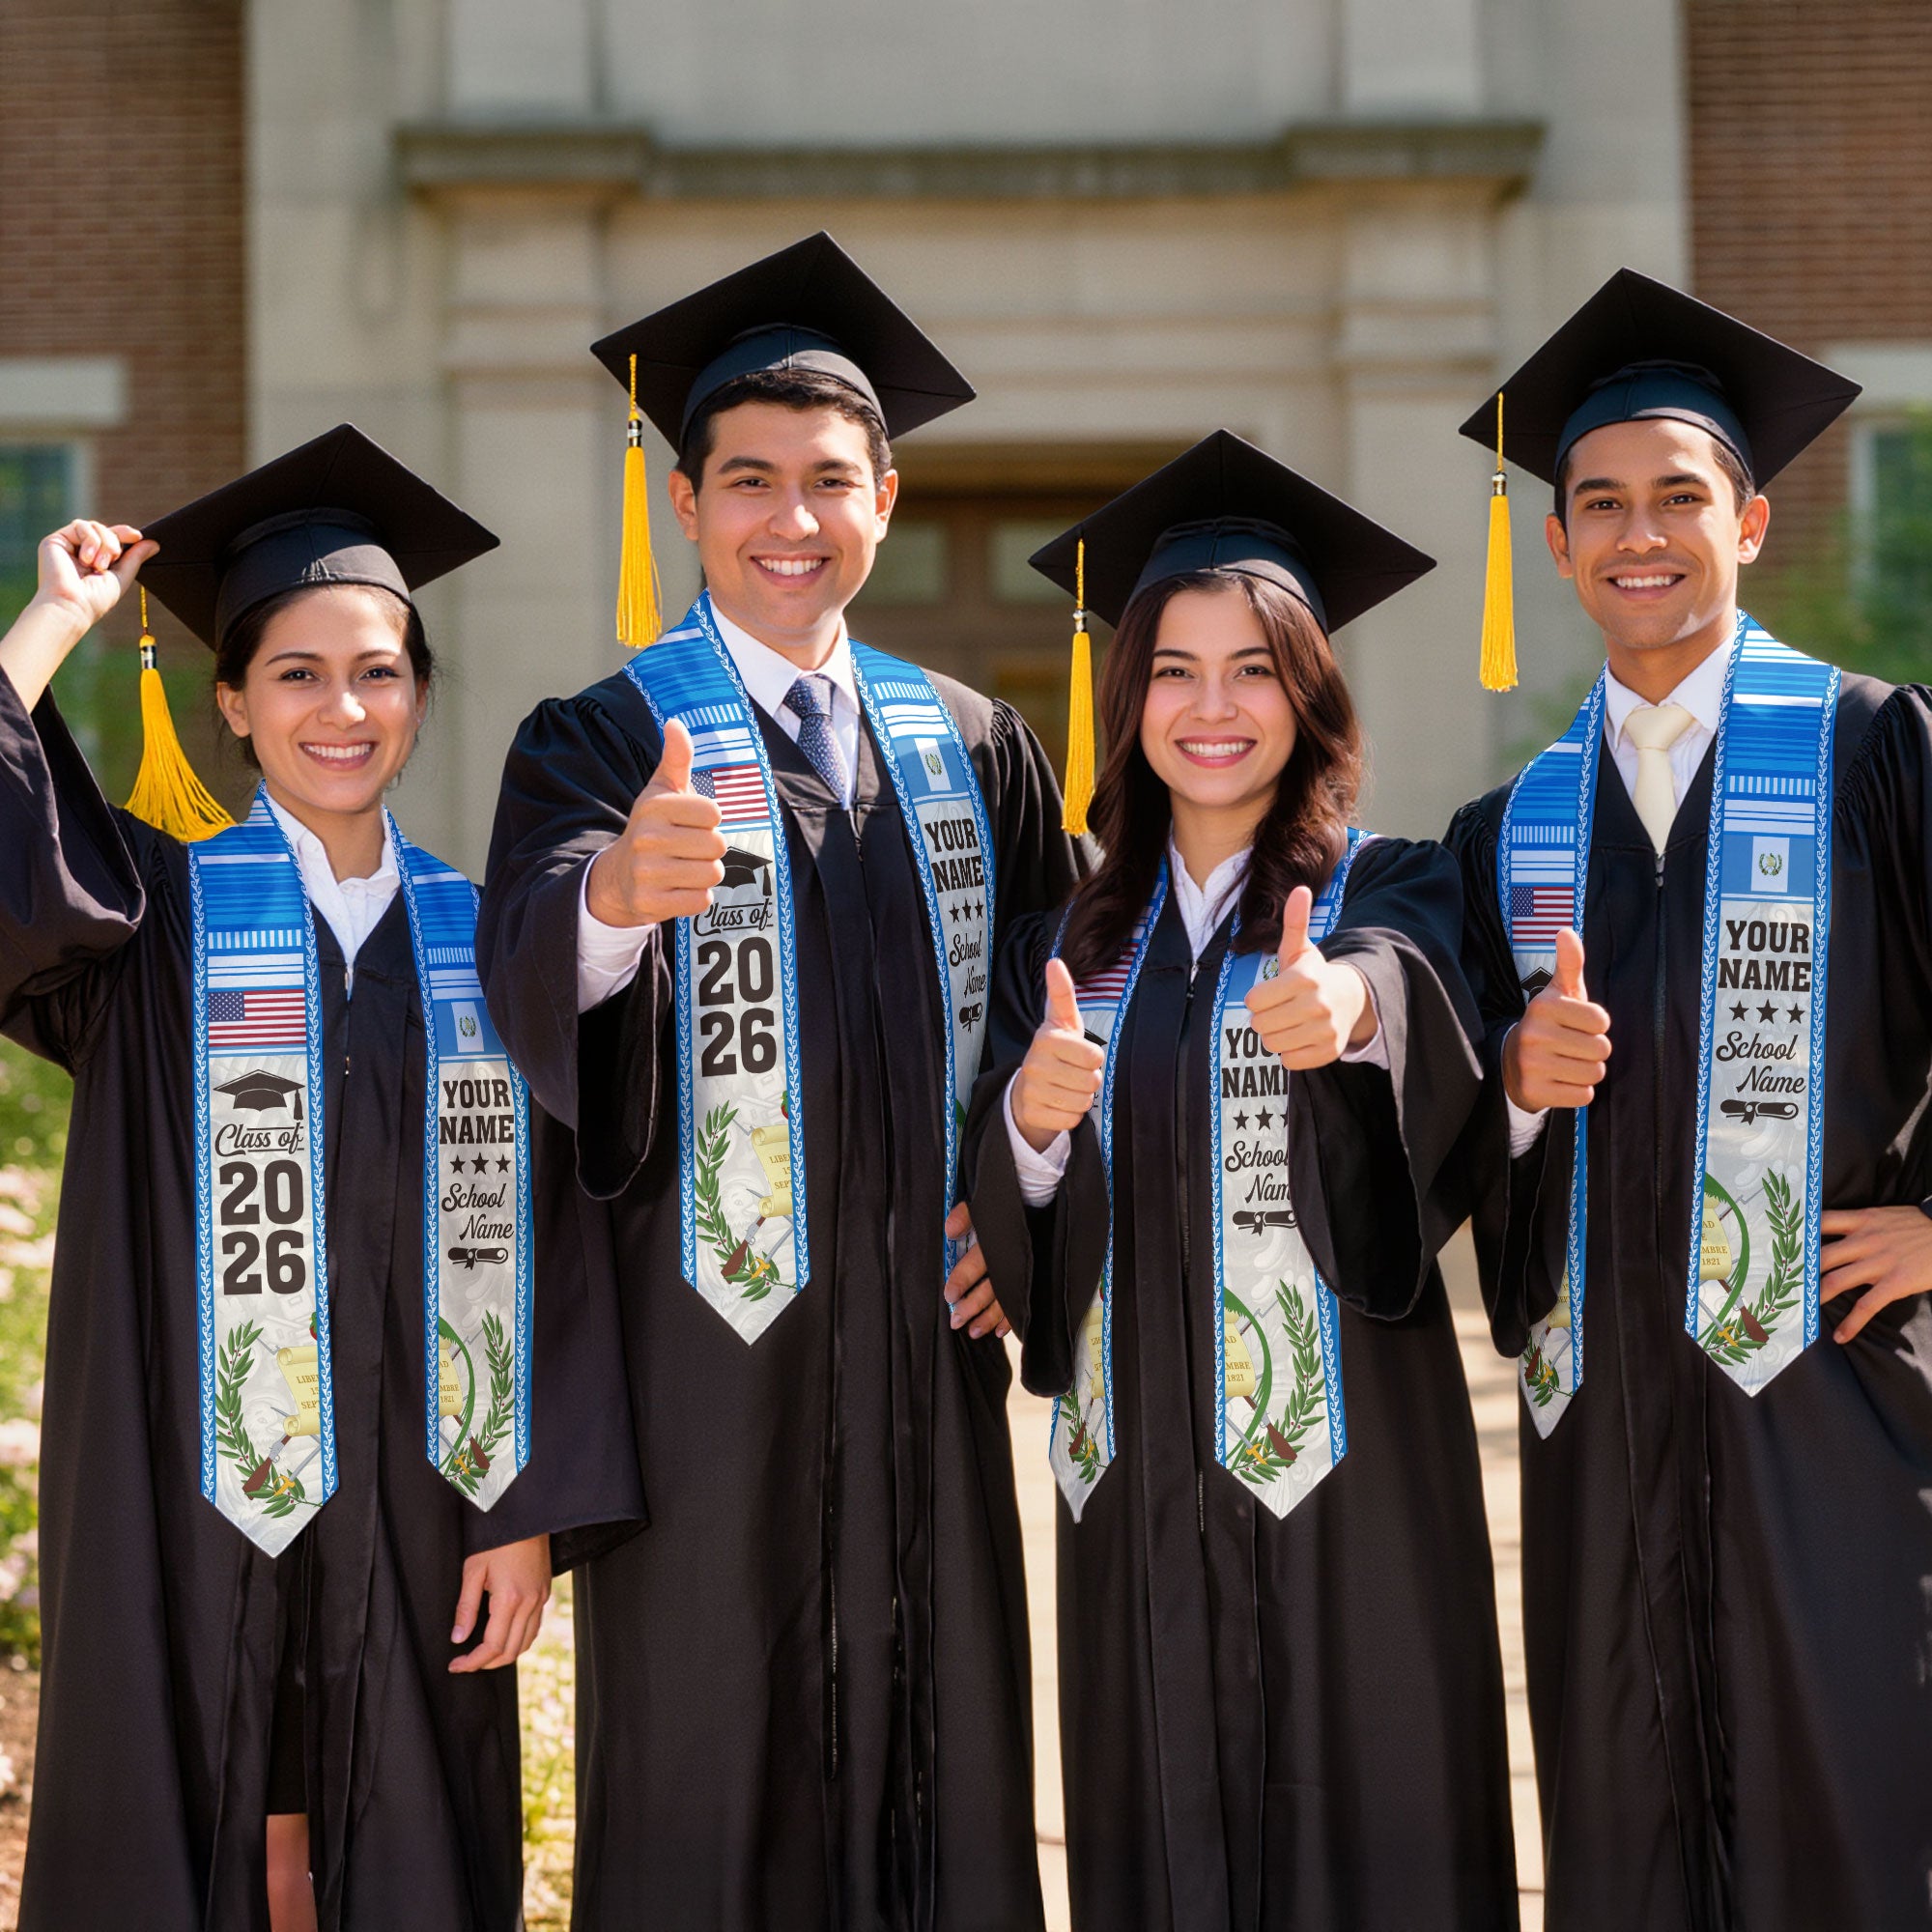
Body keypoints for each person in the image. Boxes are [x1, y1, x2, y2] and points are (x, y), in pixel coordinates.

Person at [477, 233, 1083, 1931]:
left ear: (886, 497)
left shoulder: (973, 743)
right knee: (709, 1777)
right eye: (749, 482)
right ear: (686, 504)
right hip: (705, 1374)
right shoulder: (600, 738)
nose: (790, 520)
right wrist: (611, 900)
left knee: (943, 1759)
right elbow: (529, 965)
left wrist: (1023, 1201)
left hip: (924, 1355)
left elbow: (1072, 1003)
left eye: (831, 481)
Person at [0, 425, 640, 1932]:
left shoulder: (492, 938)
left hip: (430, 1494)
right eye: (295, 673)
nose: (340, 708)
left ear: (419, 695)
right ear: (230, 701)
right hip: (185, 1480)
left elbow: (566, 1231)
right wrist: (51, 624)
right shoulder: (148, 917)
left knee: (407, 1836)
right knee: (197, 1808)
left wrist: (527, 1506)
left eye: (378, 671)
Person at [964, 431, 1519, 1931]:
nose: (1214, 709)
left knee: (1376, 1838)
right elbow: (1015, 1210)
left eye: (1256, 669)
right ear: (1127, 696)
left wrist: (1348, 1015)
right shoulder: (1063, 945)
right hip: (1135, 1480)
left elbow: (1414, 996)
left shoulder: (1390, 886)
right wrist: (1025, 1119)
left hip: (1355, 1486)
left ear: (1311, 693)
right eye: (1175, 671)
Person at [1446, 270, 1932, 1931]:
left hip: (1836, 1403)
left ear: (1753, 520)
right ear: (1562, 542)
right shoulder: (1510, 827)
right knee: (1624, 1822)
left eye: (1678, 497)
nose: (1636, 534)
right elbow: (1448, 1134)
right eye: (1599, 504)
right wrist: (1512, 1089)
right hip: (1604, 1429)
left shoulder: (1875, 750)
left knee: (1853, 1808)